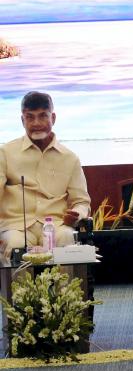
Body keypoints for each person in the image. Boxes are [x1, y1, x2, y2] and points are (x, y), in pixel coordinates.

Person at [0, 91, 91, 258]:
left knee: (67, 238)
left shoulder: (69, 158)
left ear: (53, 118)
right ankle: (21, 287)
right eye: (30, 117)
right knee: (15, 244)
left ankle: (67, 286)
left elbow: (81, 201)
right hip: (16, 226)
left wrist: (77, 214)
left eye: (43, 116)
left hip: (55, 225)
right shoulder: (5, 153)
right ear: (22, 120)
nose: (37, 123)